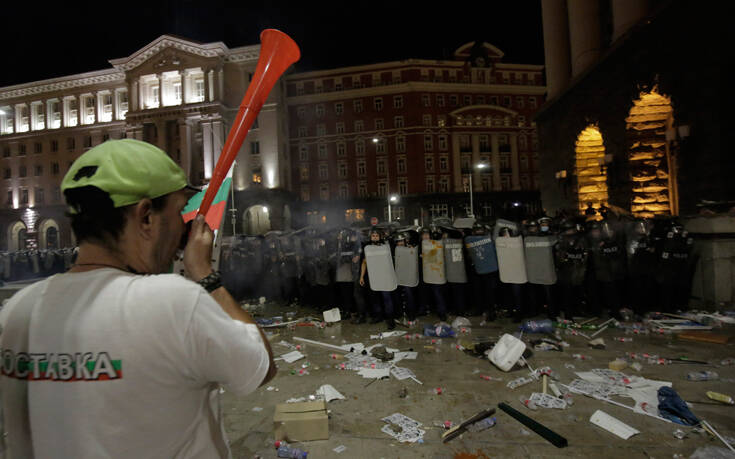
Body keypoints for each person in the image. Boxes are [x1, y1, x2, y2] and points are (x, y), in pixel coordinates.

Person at [0, 139, 276, 458]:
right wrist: (204, 274)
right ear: (146, 217)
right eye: (179, 213)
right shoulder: (172, 302)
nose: (182, 230)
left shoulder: (17, 312)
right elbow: (261, 366)